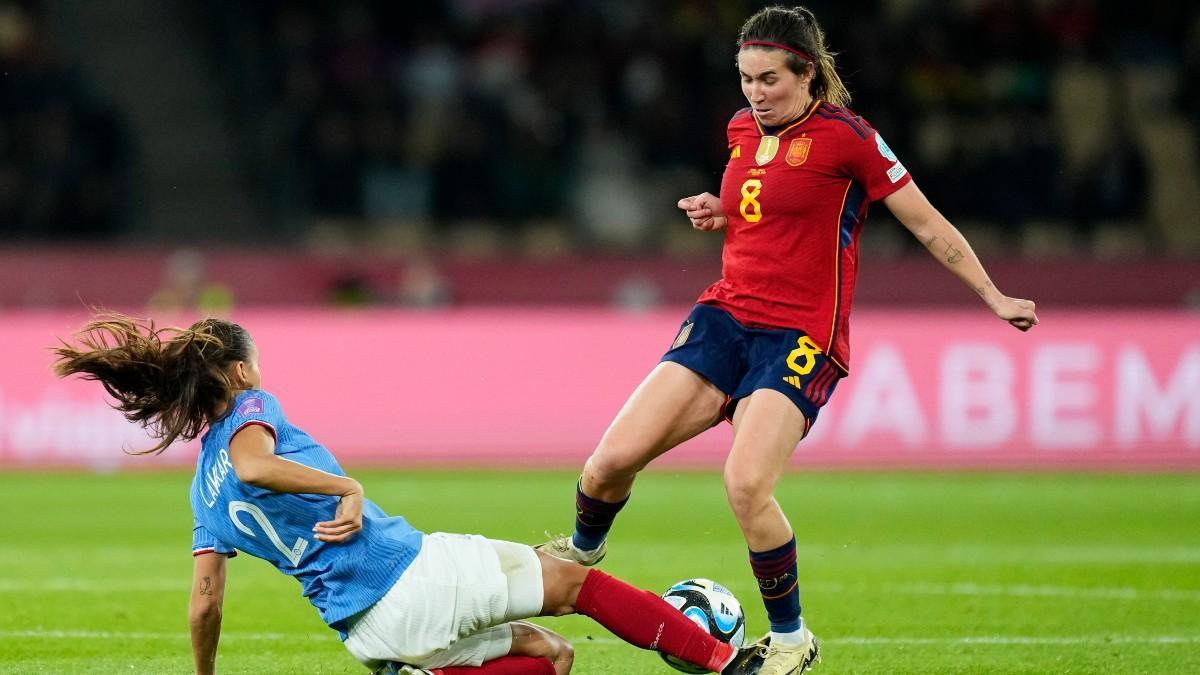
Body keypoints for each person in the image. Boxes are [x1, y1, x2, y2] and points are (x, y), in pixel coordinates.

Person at [536, 6, 1040, 675]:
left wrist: (994, 294)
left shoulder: (849, 139)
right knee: (605, 465)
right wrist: (721, 212)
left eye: (769, 78)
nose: (755, 93)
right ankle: (580, 555)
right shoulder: (741, 130)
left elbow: (928, 224)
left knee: (745, 483)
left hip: (800, 335)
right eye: (745, 78)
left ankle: (792, 639)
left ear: (806, 74)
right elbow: (760, 207)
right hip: (724, 318)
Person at [51, 314, 769, 675]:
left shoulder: (199, 495)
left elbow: (205, 600)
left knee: (554, 657)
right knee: (576, 584)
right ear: (238, 369)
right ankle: (724, 662)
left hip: (368, 633)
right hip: (411, 574)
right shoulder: (249, 409)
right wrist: (345, 484)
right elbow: (256, 465)